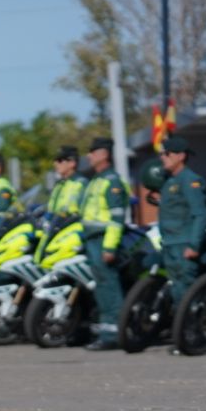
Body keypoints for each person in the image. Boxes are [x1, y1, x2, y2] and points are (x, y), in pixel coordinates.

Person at [80, 137, 129, 350]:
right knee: (101, 287)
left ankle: (115, 334)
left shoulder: (112, 181)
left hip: (103, 240)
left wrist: (109, 247)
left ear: (104, 154)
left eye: (93, 151)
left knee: (109, 287)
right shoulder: (95, 180)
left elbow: (117, 218)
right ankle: (106, 332)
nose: (89, 156)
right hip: (92, 240)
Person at [157, 137, 206, 335]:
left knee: (187, 292)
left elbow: (201, 214)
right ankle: (182, 334)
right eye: (162, 153)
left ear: (181, 156)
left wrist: (194, 245)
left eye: (167, 153)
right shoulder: (170, 180)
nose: (163, 157)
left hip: (184, 244)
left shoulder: (190, 180)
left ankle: (191, 334)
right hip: (170, 243)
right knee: (177, 291)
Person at [45, 146, 86, 231]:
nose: (55, 164)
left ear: (72, 163)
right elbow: (52, 210)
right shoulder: (59, 185)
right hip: (56, 230)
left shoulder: (81, 183)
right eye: (55, 161)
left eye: (60, 160)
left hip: (72, 231)